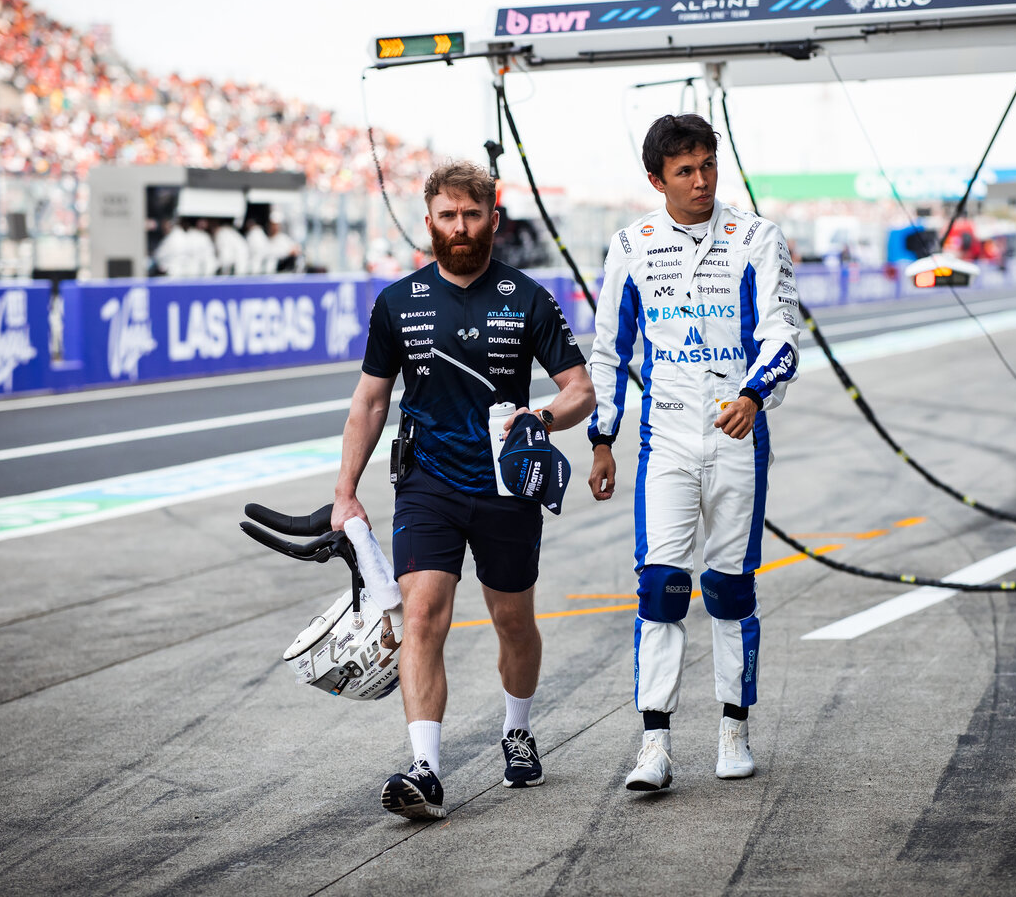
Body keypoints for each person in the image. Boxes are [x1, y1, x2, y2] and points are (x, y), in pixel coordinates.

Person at [330, 160, 594, 820]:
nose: (460, 226)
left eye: (472, 215)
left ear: (493, 221)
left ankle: (518, 730)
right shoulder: (398, 302)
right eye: (447, 215)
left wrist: (543, 419)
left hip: (507, 486)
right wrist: (345, 491)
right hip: (428, 484)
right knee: (422, 616)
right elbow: (370, 402)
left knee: (513, 622)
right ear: (429, 222)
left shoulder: (528, 298)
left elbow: (580, 390)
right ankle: (425, 769)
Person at [587, 114, 800, 792]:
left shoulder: (758, 237)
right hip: (667, 440)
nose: (701, 180)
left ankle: (734, 730)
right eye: (685, 171)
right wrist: (602, 438)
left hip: (738, 435)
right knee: (660, 586)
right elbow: (608, 351)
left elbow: (783, 335)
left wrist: (754, 395)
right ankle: (654, 746)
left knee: (731, 588)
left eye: (708, 165)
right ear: (658, 180)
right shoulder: (631, 245)